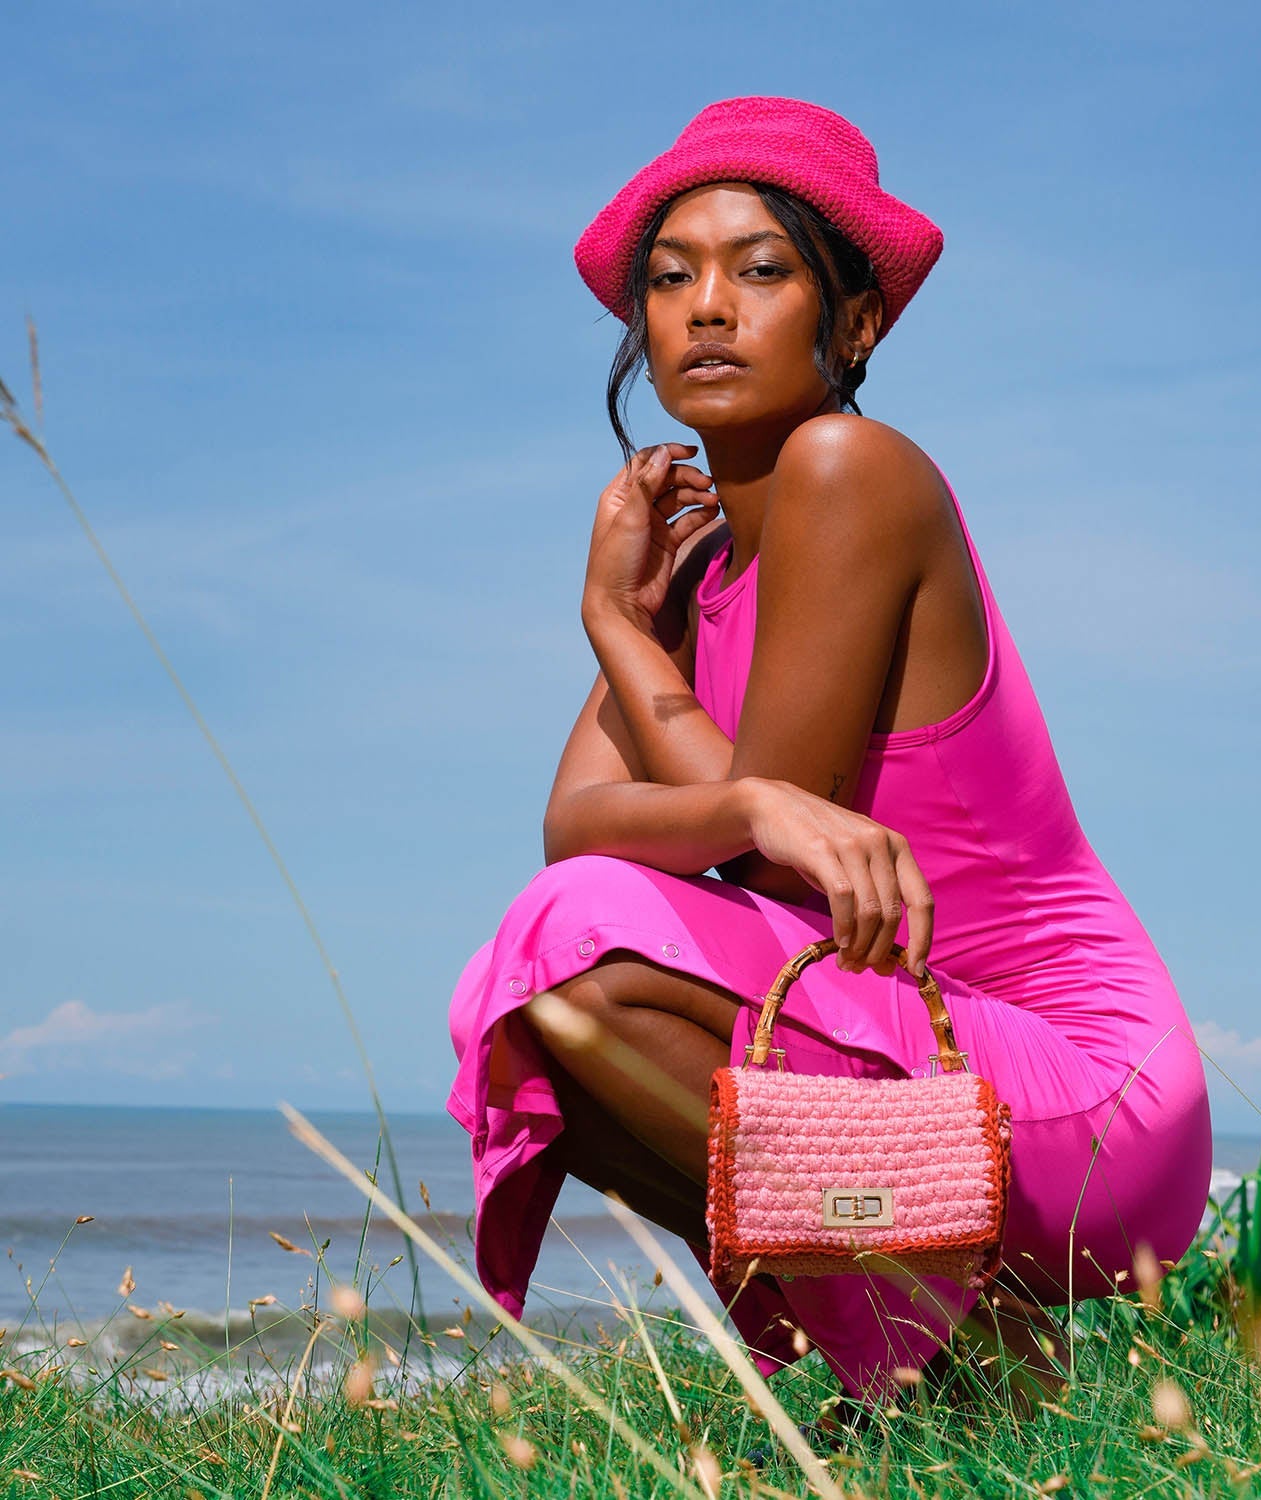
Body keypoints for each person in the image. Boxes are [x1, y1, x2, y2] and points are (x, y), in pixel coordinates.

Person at [446, 95, 1212, 1410]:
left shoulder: (849, 469)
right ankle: (966, 1375)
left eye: (760, 272)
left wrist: (736, 790)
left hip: (1079, 1091)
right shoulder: (691, 574)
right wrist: (620, 622)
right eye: (671, 279)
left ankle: (969, 1365)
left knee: (580, 948)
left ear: (855, 323)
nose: (706, 309)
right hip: (895, 1042)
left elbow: (756, 840)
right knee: (543, 995)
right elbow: (575, 827)